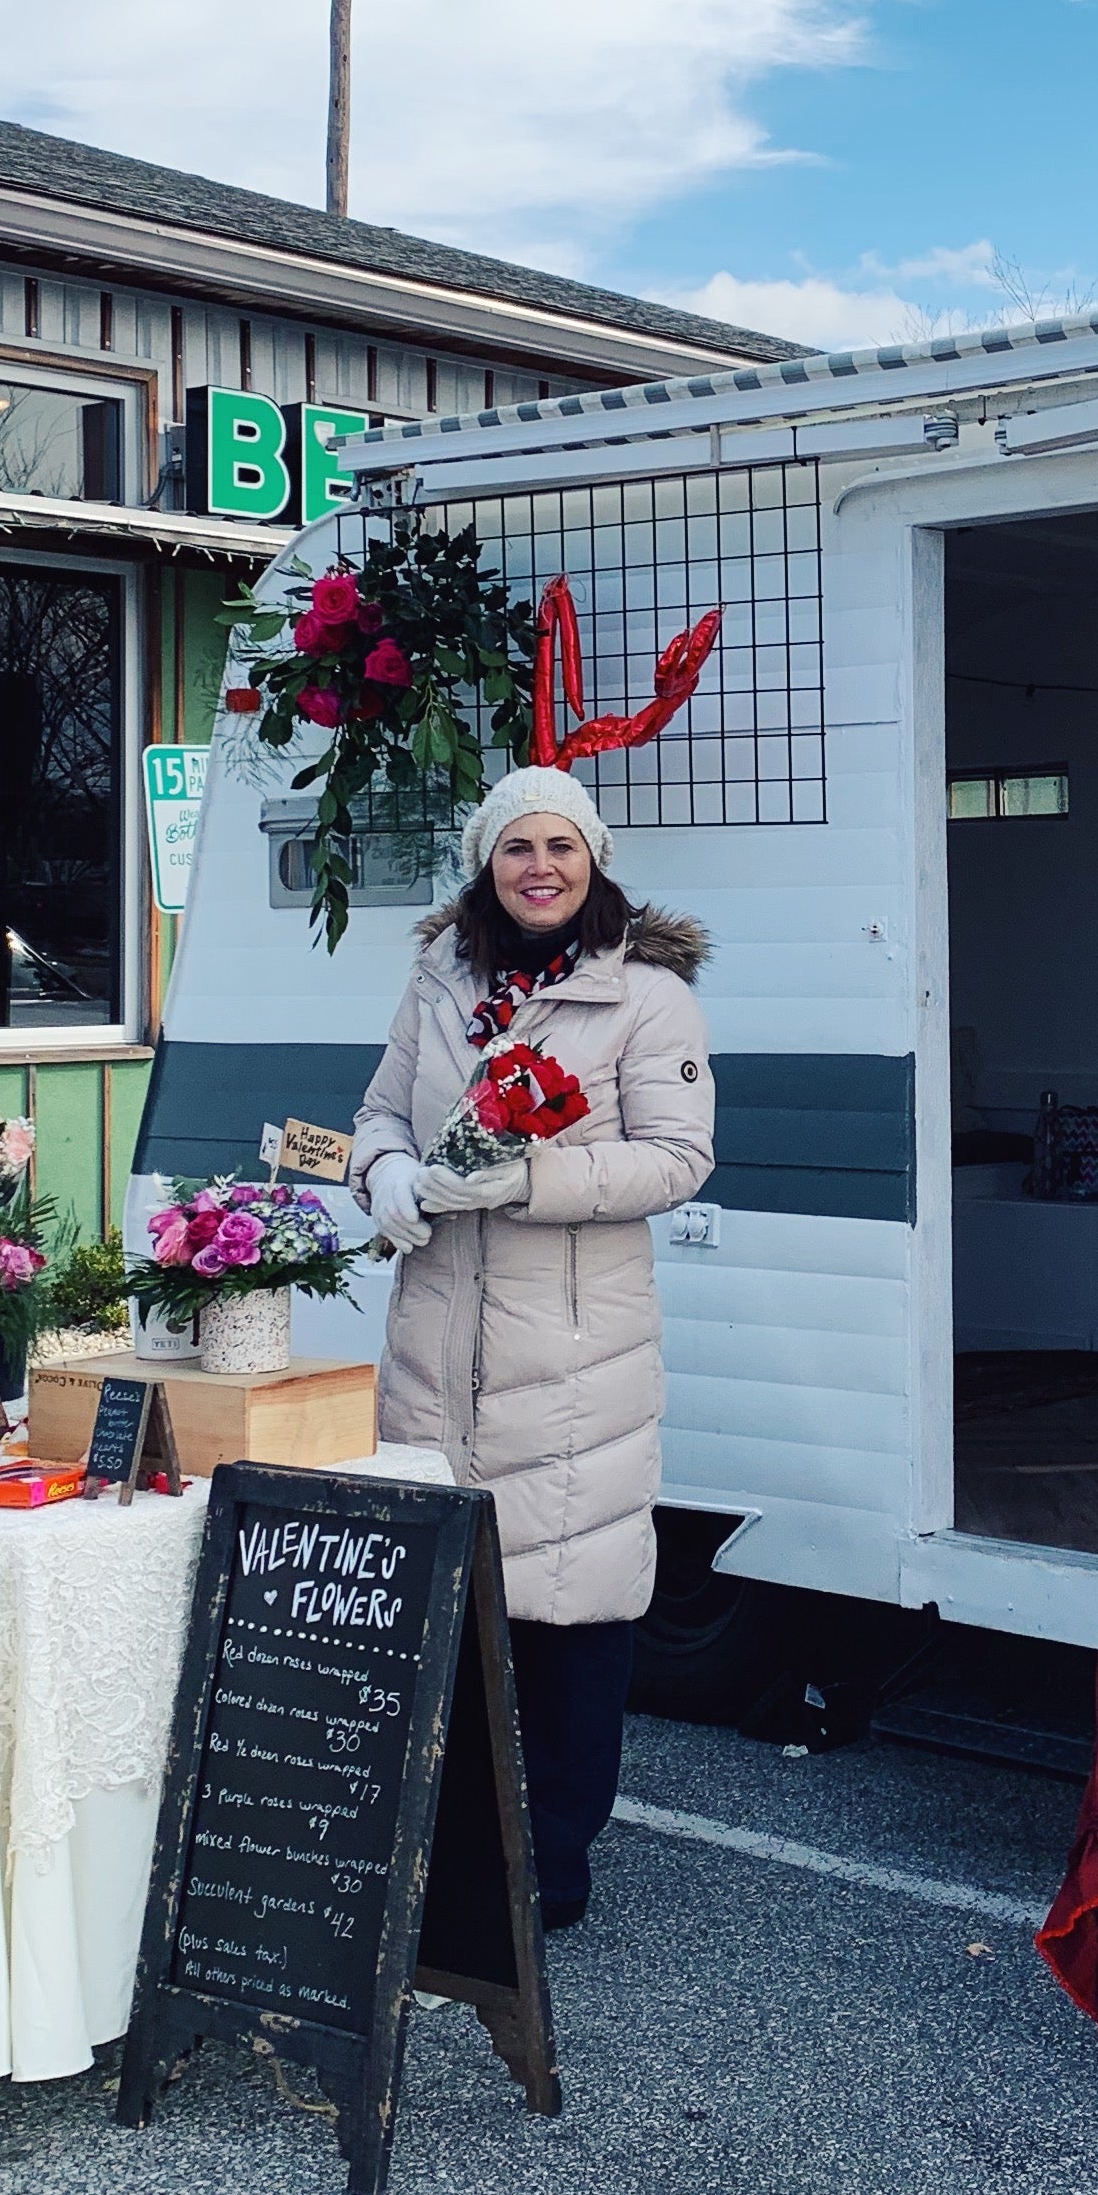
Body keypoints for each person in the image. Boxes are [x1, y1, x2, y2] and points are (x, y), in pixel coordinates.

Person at [348, 765, 713, 1928]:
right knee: (452, 1610)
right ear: (486, 865)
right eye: (517, 848)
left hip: (572, 1356)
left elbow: (678, 1158)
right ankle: (450, 1853)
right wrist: (385, 1173)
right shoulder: (441, 978)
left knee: (568, 1610)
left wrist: (533, 1177)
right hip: (438, 1343)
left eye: (561, 845)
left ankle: (550, 1862)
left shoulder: (645, 996)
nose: (539, 867)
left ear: (593, 860)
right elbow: (377, 1115)